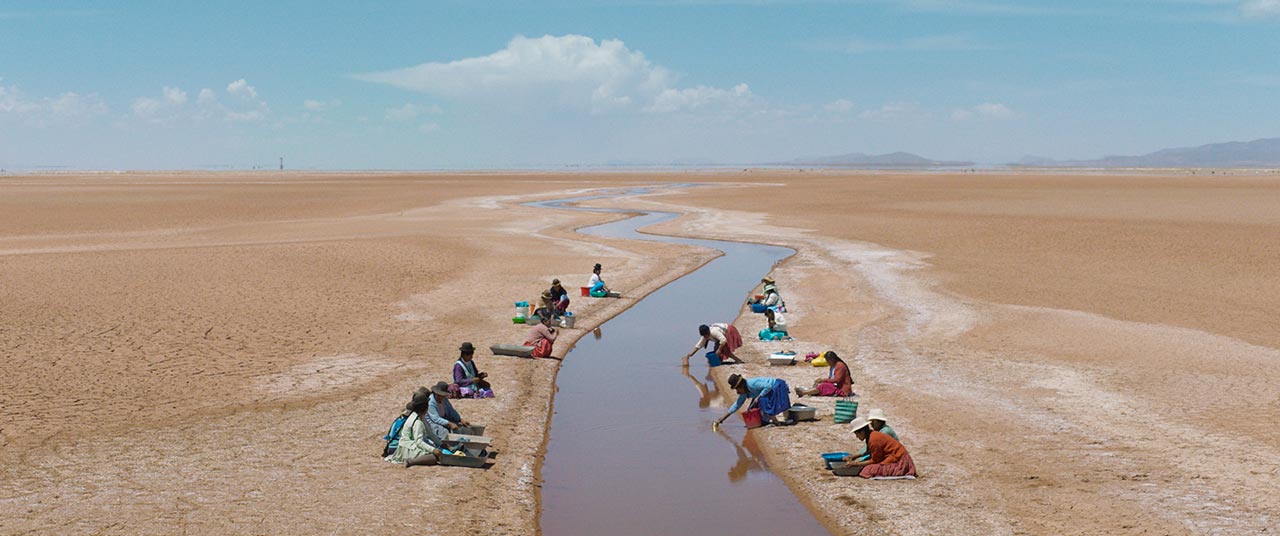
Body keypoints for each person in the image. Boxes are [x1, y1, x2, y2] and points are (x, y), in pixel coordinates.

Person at [837, 417, 917, 479]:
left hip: (899, 459)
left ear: (862, 432)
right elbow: (869, 451)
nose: (857, 437)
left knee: (867, 471)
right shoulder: (871, 436)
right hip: (895, 456)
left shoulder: (874, 439)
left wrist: (856, 464)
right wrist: (854, 457)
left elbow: (875, 460)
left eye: (857, 434)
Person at [384, 387, 444, 467]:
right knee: (433, 457)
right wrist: (433, 450)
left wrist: (441, 444)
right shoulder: (417, 422)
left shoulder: (417, 416)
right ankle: (410, 462)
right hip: (407, 448)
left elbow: (430, 433)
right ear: (425, 408)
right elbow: (419, 442)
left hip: (407, 445)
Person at [715, 374, 794, 427]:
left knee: (761, 400)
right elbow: (737, 405)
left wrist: (758, 396)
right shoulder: (744, 392)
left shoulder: (752, 384)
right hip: (768, 391)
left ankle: (775, 421)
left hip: (776, 386)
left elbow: (768, 386)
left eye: (737, 389)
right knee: (752, 408)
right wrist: (723, 418)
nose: (737, 391)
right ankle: (766, 419)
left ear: (741, 386)